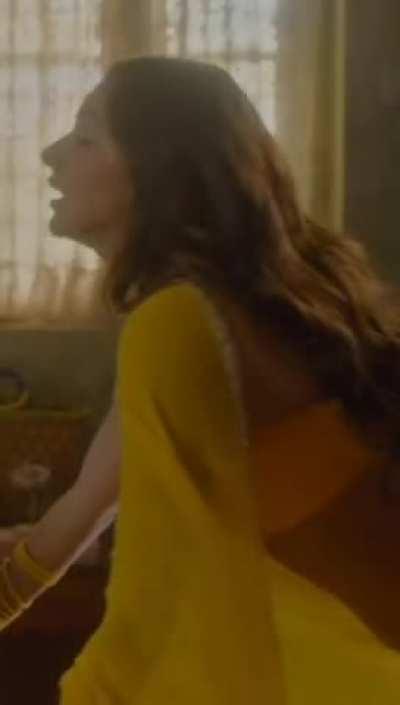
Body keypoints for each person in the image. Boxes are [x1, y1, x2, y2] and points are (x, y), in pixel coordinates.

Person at [1, 56, 400, 703]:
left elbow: (153, 610)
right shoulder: (222, 313)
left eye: (86, 136)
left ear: (158, 172)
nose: (51, 156)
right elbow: (62, 532)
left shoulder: (178, 326)